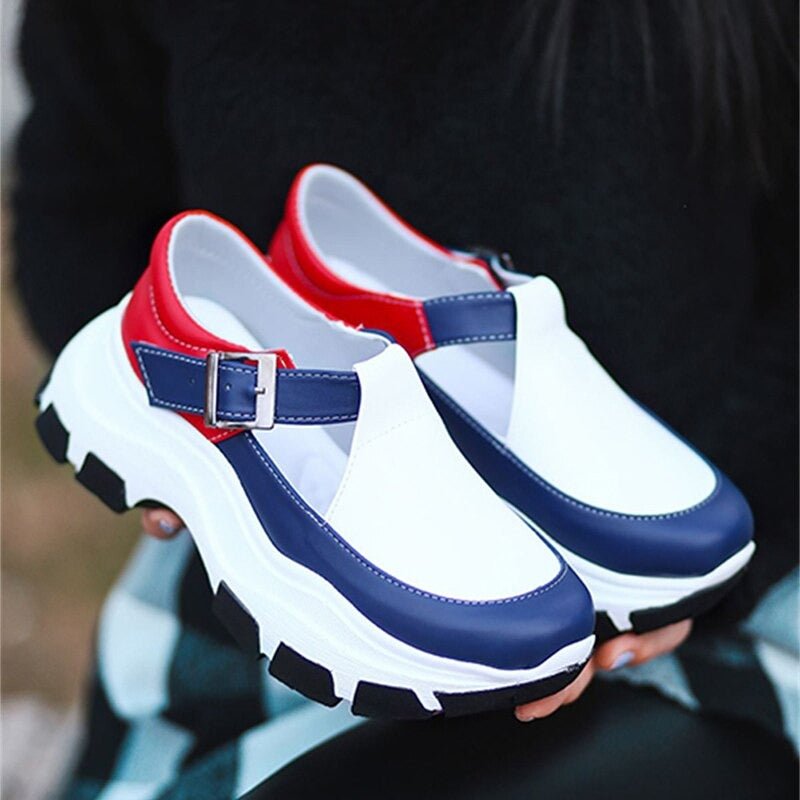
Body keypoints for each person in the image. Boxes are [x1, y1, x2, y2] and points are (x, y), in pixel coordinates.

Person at [13, 1, 797, 797]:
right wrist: (174, 425)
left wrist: (749, 526)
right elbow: (80, 197)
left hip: (742, 516)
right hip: (320, 523)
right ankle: (181, 376)